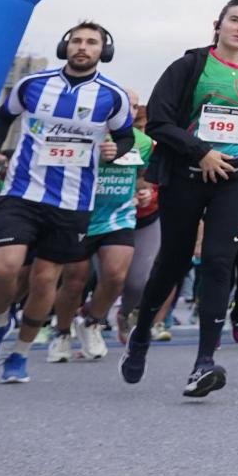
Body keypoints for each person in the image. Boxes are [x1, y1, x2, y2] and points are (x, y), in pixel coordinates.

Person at [126, 0, 238, 397]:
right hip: (186, 175)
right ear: (218, 24)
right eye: (235, 20)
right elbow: (159, 121)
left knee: (218, 262)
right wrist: (201, 152)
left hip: (234, 176)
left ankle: (204, 363)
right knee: (173, 260)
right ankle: (140, 333)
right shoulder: (188, 65)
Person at [0, 22, 135, 383]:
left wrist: (114, 149)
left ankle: (19, 355)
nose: (83, 47)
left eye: (92, 43)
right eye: (76, 40)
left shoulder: (113, 95)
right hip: (22, 192)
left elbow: (125, 137)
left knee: (46, 281)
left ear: (102, 52)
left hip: (73, 202)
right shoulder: (33, 84)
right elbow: (2, 117)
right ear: (65, 45)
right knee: (4, 267)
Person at [75, 101, 150, 362]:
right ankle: (60, 330)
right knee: (76, 280)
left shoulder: (142, 142)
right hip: (79, 216)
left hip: (118, 218)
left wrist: (143, 190)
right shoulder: (83, 130)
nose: (127, 110)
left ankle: (92, 321)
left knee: (116, 277)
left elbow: (143, 176)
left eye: (132, 106)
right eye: (122, 105)